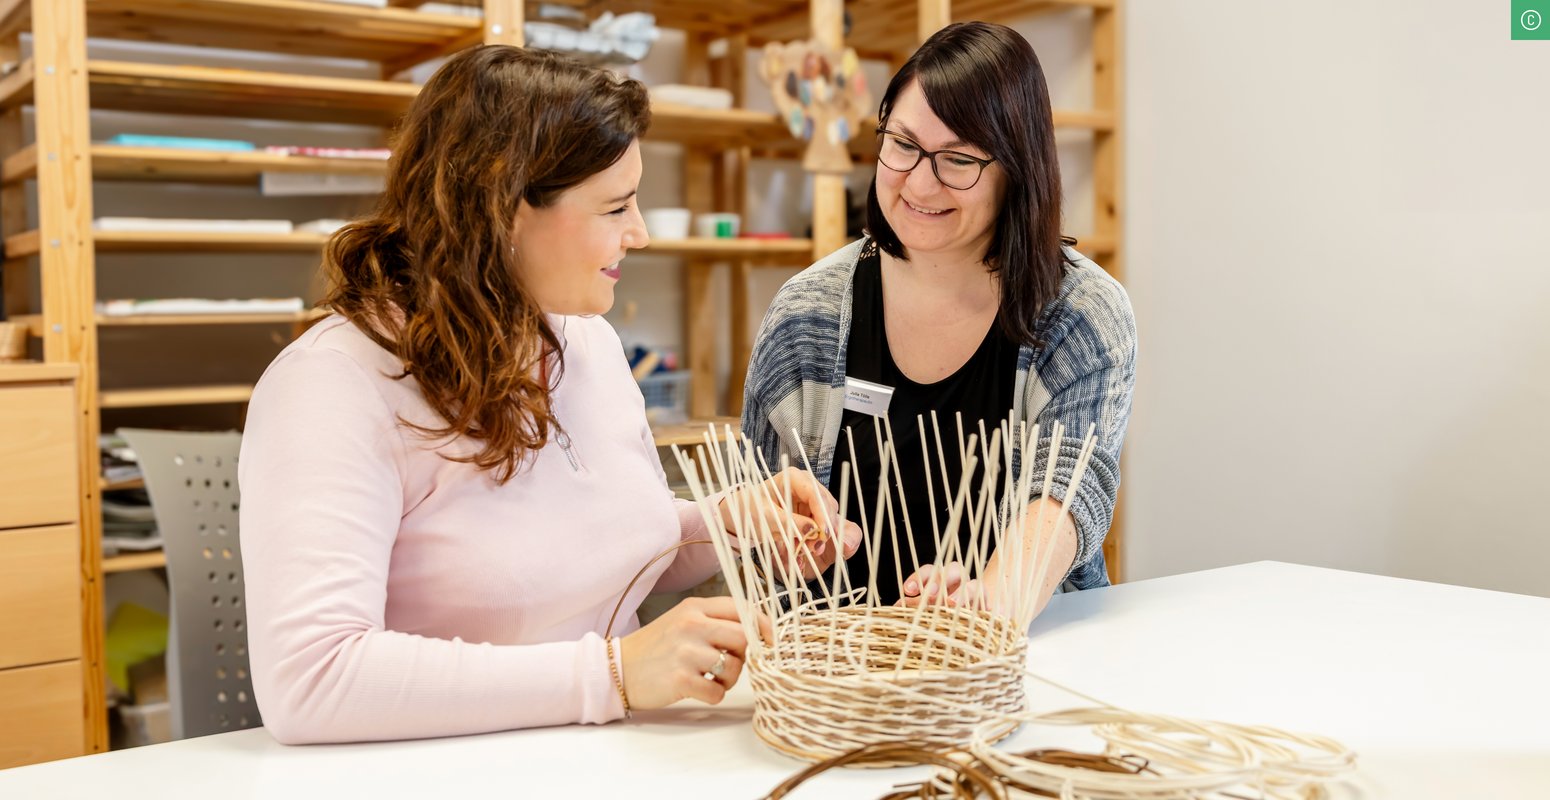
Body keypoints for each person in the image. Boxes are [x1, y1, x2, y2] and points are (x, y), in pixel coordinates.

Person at [239, 44, 858, 745]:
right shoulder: (331, 384)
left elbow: (597, 550)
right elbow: (312, 680)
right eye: (616, 206)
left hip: (599, 754)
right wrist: (613, 675)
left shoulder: (580, 338)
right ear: (502, 205)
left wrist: (728, 522)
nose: (641, 233)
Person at [741, 22, 1136, 614]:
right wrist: (778, 541)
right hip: (841, 673)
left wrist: (992, 599)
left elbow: (1071, 487)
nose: (920, 182)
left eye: (957, 159)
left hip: (1024, 660)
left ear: (1017, 169)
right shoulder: (807, 314)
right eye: (901, 144)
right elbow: (756, 510)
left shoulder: (1079, 313)